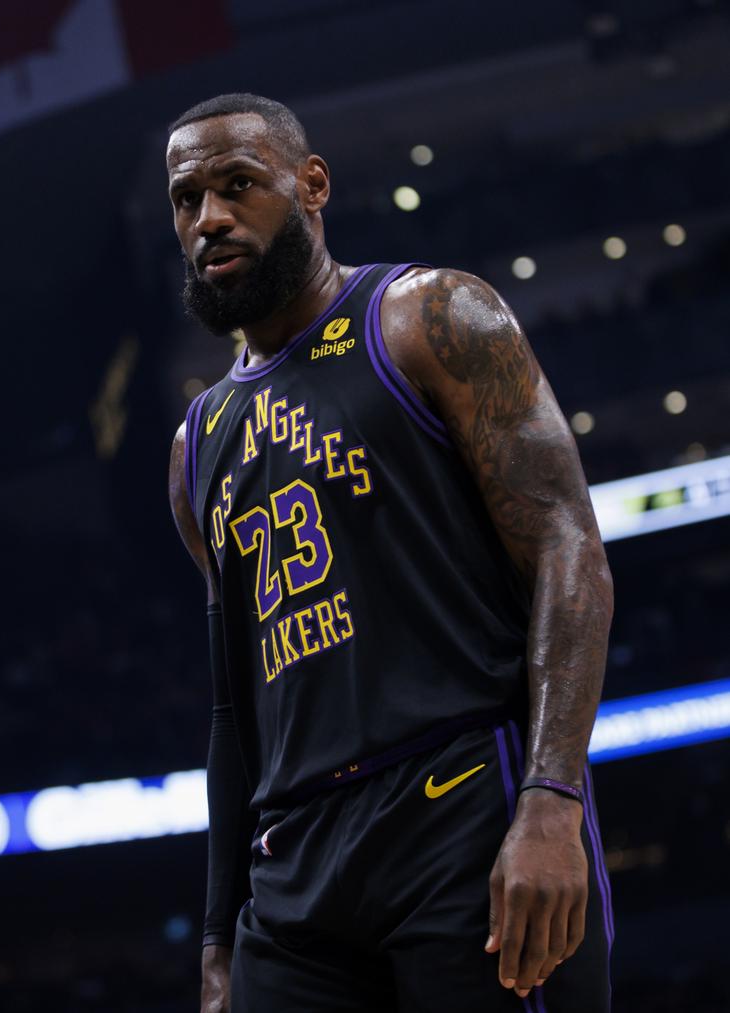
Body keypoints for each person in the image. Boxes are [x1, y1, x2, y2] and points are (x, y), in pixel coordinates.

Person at [167, 93, 614, 1013]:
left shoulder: (428, 317)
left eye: (237, 186)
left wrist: (550, 797)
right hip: (292, 868)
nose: (209, 218)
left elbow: (570, 548)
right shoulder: (196, 445)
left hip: (459, 806)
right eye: (185, 199)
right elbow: (230, 707)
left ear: (311, 185)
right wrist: (218, 939)